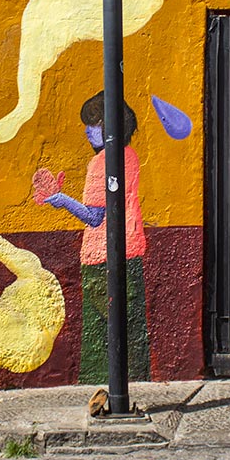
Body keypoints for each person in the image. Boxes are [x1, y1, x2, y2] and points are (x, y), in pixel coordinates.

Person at [38, 93, 149, 383]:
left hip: (100, 258)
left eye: (94, 123)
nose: (88, 130)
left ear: (110, 125)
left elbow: (94, 217)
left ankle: (102, 384)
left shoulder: (101, 163)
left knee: (99, 333)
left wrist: (61, 200)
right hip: (131, 252)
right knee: (131, 327)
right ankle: (136, 377)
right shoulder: (131, 156)